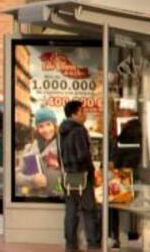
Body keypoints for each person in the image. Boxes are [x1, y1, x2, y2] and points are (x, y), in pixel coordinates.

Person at [60, 99, 100, 250]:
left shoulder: (63, 130)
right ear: (74, 113)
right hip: (82, 175)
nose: (85, 114)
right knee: (89, 211)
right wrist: (92, 171)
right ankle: (93, 245)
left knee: (71, 211)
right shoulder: (78, 130)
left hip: (69, 176)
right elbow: (83, 156)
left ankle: (70, 245)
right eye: (82, 111)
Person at [16, 106, 62, 198]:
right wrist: (31, 180)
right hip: (32, 201)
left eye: (49, 124)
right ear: (37, 128)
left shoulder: (65, 147)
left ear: (54, 125)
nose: (46, 130)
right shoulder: (29, 149)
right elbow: (16, 176)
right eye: (41, 126)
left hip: (57, 202)